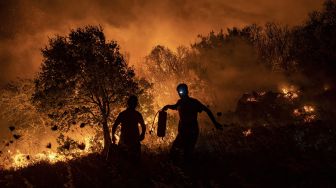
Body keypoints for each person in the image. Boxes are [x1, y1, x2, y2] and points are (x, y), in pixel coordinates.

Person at [162, 83, 223, 162]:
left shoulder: (194, 102)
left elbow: (206, 110)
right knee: (174, 151)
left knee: (187, 153)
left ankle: (188, 170)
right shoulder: (180, 102)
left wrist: (215, 123)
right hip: (182, 132)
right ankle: (178, 170)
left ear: (187, 91)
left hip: (192, 131)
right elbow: (174, 106)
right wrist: (167, 106)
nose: (180, 94)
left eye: (181, 91)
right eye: (179, 92)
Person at [112, 95, 146, 163]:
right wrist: (142, 134)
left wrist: (113, 136)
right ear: (136, 104)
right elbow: (143, 126)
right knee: (134, 163)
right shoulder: (137, 114)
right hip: (133, 141)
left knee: (123, 162)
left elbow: (114, 125)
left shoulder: (123, 114)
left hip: (125, 141)